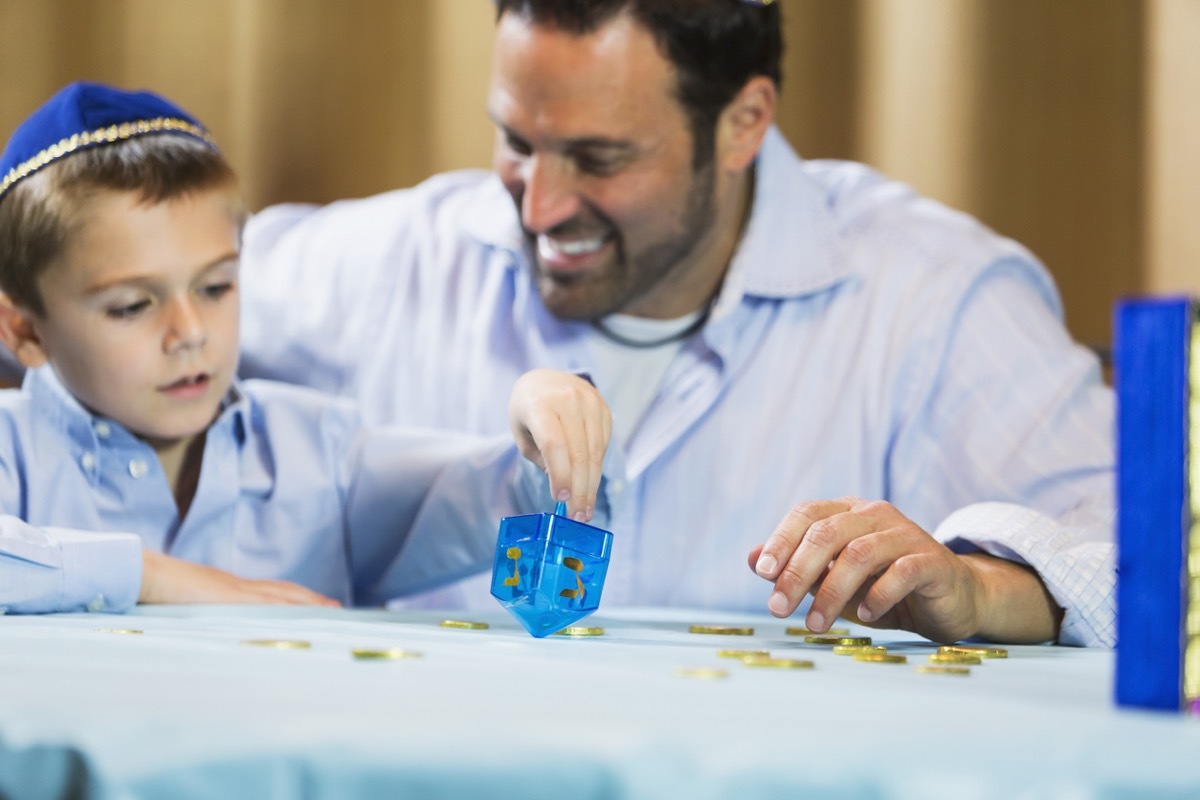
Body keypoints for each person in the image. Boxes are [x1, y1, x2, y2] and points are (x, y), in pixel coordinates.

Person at [237, 1, 1114, 646]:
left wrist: (980, 588)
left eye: (599, 157)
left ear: (743, 123)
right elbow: (117, 324)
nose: (537, 207)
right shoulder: (387, 262)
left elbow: (1149, 568)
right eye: (515, 140)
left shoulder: (935, 295)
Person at [0, 81, 612, 615]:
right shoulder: (13, 450)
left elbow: (487, 500)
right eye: (133, 305)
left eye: (215, 287)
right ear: (24, 330)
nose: (190, 331)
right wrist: (152, 577)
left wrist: (549, 433)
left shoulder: (321, 453)